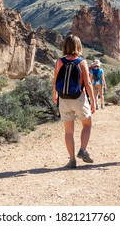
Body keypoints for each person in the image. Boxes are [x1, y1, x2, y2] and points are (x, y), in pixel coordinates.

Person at [53, 34, 96, 168]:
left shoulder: (59, 62)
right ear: (79, 46)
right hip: (78, 98)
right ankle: (83, 150)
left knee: (68, 132)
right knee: (87, 125)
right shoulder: (81, 62)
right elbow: (88, 84)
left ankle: (72, 160)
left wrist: (55, 95)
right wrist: (93, 100)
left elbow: (54, 81)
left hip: (63, 99)